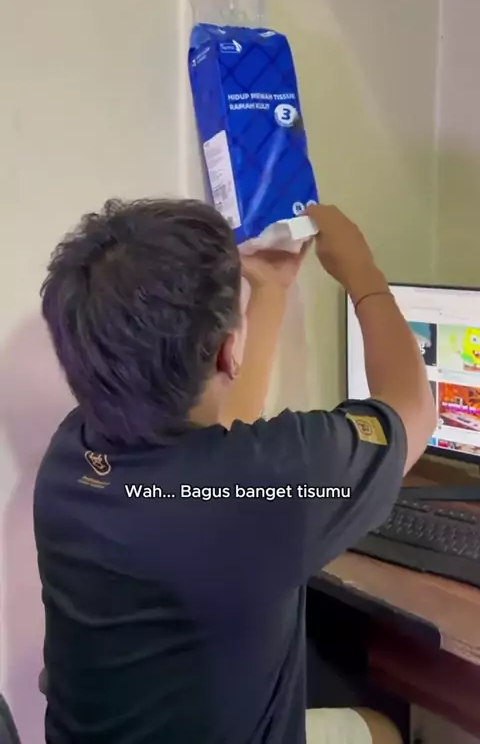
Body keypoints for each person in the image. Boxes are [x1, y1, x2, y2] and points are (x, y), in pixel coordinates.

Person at [34, 199, 436, 744]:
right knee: (382, 729)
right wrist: (361, 273)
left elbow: (218, 455)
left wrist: (270, 291)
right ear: (229, 351)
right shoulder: (263, 488)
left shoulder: (70, 456)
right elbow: (415, 409)